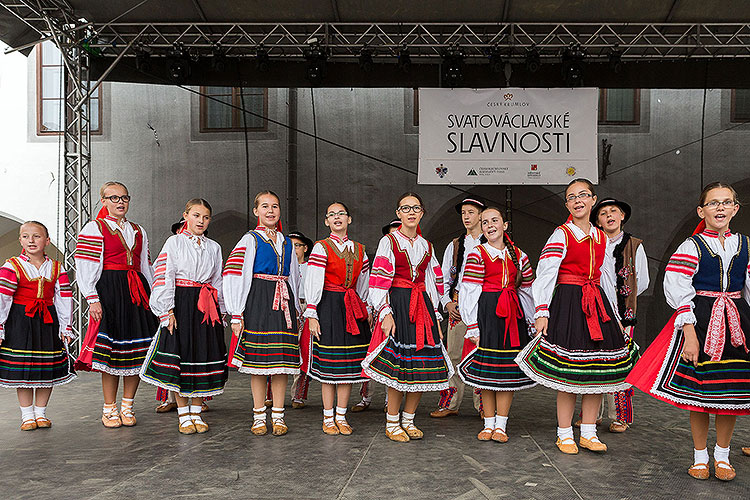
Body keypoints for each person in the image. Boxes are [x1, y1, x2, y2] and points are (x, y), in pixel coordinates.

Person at [627, 182, 750, 481]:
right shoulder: (691, 246)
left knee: (729, 394)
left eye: (726, 202)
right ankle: (699, 456)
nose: (719, 208)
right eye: (713, 203)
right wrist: (690, 334)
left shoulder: (746, 245)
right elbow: (678, 288)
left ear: (735, 208)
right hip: (702, 322)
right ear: (701, 210)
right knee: (702, 394)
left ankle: (722, 456)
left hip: (737, 324)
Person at [516, 178, 639, 454]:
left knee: (596, 372)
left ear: (593, 200)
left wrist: (615, 315)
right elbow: (546, 273)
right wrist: (541, 311)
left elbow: (606, 277)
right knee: (569, 374)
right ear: (567, 204)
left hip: (597, 305)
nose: (578, 200)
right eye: (572, 197)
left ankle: (588, 432)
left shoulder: (600, 236)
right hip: (570, 303)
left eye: (583, 195)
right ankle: (564, 433)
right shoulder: (562, 234)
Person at [363, 192, 453, 442]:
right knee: (399, 367)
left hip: (422, 306)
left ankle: (409, 419)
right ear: (398, 213)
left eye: (416, 208)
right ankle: (392, 422)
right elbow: (379, 280)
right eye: (406, 208)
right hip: (399, 304)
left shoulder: (427, 246)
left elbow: (432, 282)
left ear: (422, 213)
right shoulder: (389, 242)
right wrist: (384, 311)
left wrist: (435, 313)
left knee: (423, 365)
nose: (411, 212)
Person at [140, 199, 228, 434]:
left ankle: (197, 413)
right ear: (185, 216)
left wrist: (221, 310)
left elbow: (218, 279)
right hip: (182, 302)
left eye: (206, 217)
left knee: (202, 354)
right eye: (196, 215)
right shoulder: (175, 242)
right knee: (183, 354)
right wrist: (166, 310)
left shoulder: (214, 247)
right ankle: (183, 414)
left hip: (206, 304)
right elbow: (164, 275)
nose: (201, 221)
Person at [75, 181, 158, 428]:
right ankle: (109, 408)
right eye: (113, 198)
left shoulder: (138, 229)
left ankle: (127, 406)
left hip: (137, 291)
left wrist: (154, 297)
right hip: (109, 290)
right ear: (103, 201)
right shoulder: (94, 228)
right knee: (112, 354)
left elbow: (146, 267)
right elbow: (86, 266)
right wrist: (92, 297)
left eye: (124, 197)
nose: (120, 202)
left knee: (136, 352)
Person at [223, 190, 301, 436]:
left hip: (284, 302)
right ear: (256, 211)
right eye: (265, 206)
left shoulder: (287, 241)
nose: (270, 211)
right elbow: (235, 275)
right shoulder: (250, 240)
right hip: (258, 299)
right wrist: (237, 312)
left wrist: (298, 308)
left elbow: (296, 277)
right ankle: (259, 415)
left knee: (281, 364)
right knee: (257, 363)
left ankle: (278, 415)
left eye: (275, 206)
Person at [458, 207, 536, 442]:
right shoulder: (477, 253)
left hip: (513, 316)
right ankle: (488, 423)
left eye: (494, 220)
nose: (490, 225)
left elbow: (527, 291)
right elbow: (469, 290)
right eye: (484, 222)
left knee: (506, 374)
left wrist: (531, 322)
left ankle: (501, 425)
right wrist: (472, 325)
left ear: (505, 225)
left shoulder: (519, 255)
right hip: (487, 314)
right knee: (487, 371)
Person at [0, 221, 75, 430]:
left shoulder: (56, 267)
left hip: (47, 321)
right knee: (24, 369)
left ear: (47, 241)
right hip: (20, 321)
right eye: (25, 236)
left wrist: (66, 327)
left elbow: (64, 299)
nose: (31, 240)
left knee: (45, 368)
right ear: (20, 240)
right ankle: (27, 415)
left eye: (36, 236)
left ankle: (41, 413)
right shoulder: (11, 265)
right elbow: (2, 298)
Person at [303, 202, 371, 434]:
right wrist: (312, 313)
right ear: (326, 221)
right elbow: (313, 280)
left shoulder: (360, 249)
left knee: (348, 366)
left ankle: (341, 416)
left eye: (341, 213)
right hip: (329, 306)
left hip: (352, 307)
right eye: (331, 214)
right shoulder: (322, 247)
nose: (337, 217)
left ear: (349, 219)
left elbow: (364, 282)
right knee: (330, 367)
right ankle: (328, 418)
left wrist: (366, 307)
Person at [592, 197, 649, 433]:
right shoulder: (592, 243)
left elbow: (642, 281)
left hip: (622, 314)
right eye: (603, 213)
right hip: (593, 312)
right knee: (592, 362)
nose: (609, 216)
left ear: (622, 216)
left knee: (620, 365)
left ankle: (620, 416)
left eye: (613, 211)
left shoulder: (634, 245)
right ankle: (591, 415)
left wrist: (624, 298)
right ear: (598, 221)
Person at [431, 197, 485, 419]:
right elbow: (442, 278)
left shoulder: (492, 242)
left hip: (483, 306)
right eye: (463, 213)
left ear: (481, 215)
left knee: (481, 355)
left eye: (470, 212)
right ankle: (450, 403)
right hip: (458, 304)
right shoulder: (454, 245)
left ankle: (484, 406)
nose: (466, 217)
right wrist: (447, 302)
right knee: (452, 354)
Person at [351, 219, 400, 413]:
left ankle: (391, 401)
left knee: (394, 357)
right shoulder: (383, 256)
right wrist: (370, 309)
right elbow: (373, 285)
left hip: (399, 308)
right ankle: (366, 397)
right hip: (379, 310)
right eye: (392, 233)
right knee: (370, 354)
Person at [289, 230, 313, 410]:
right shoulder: (281, 266)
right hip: (286, 307)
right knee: (281, 351)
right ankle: (271, 395)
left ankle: (298, 395)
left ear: (305, 248)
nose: (293, 249)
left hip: (306, 308)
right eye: (289, 245)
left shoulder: (312, 266)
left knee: (304, 352)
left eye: (297, 245)